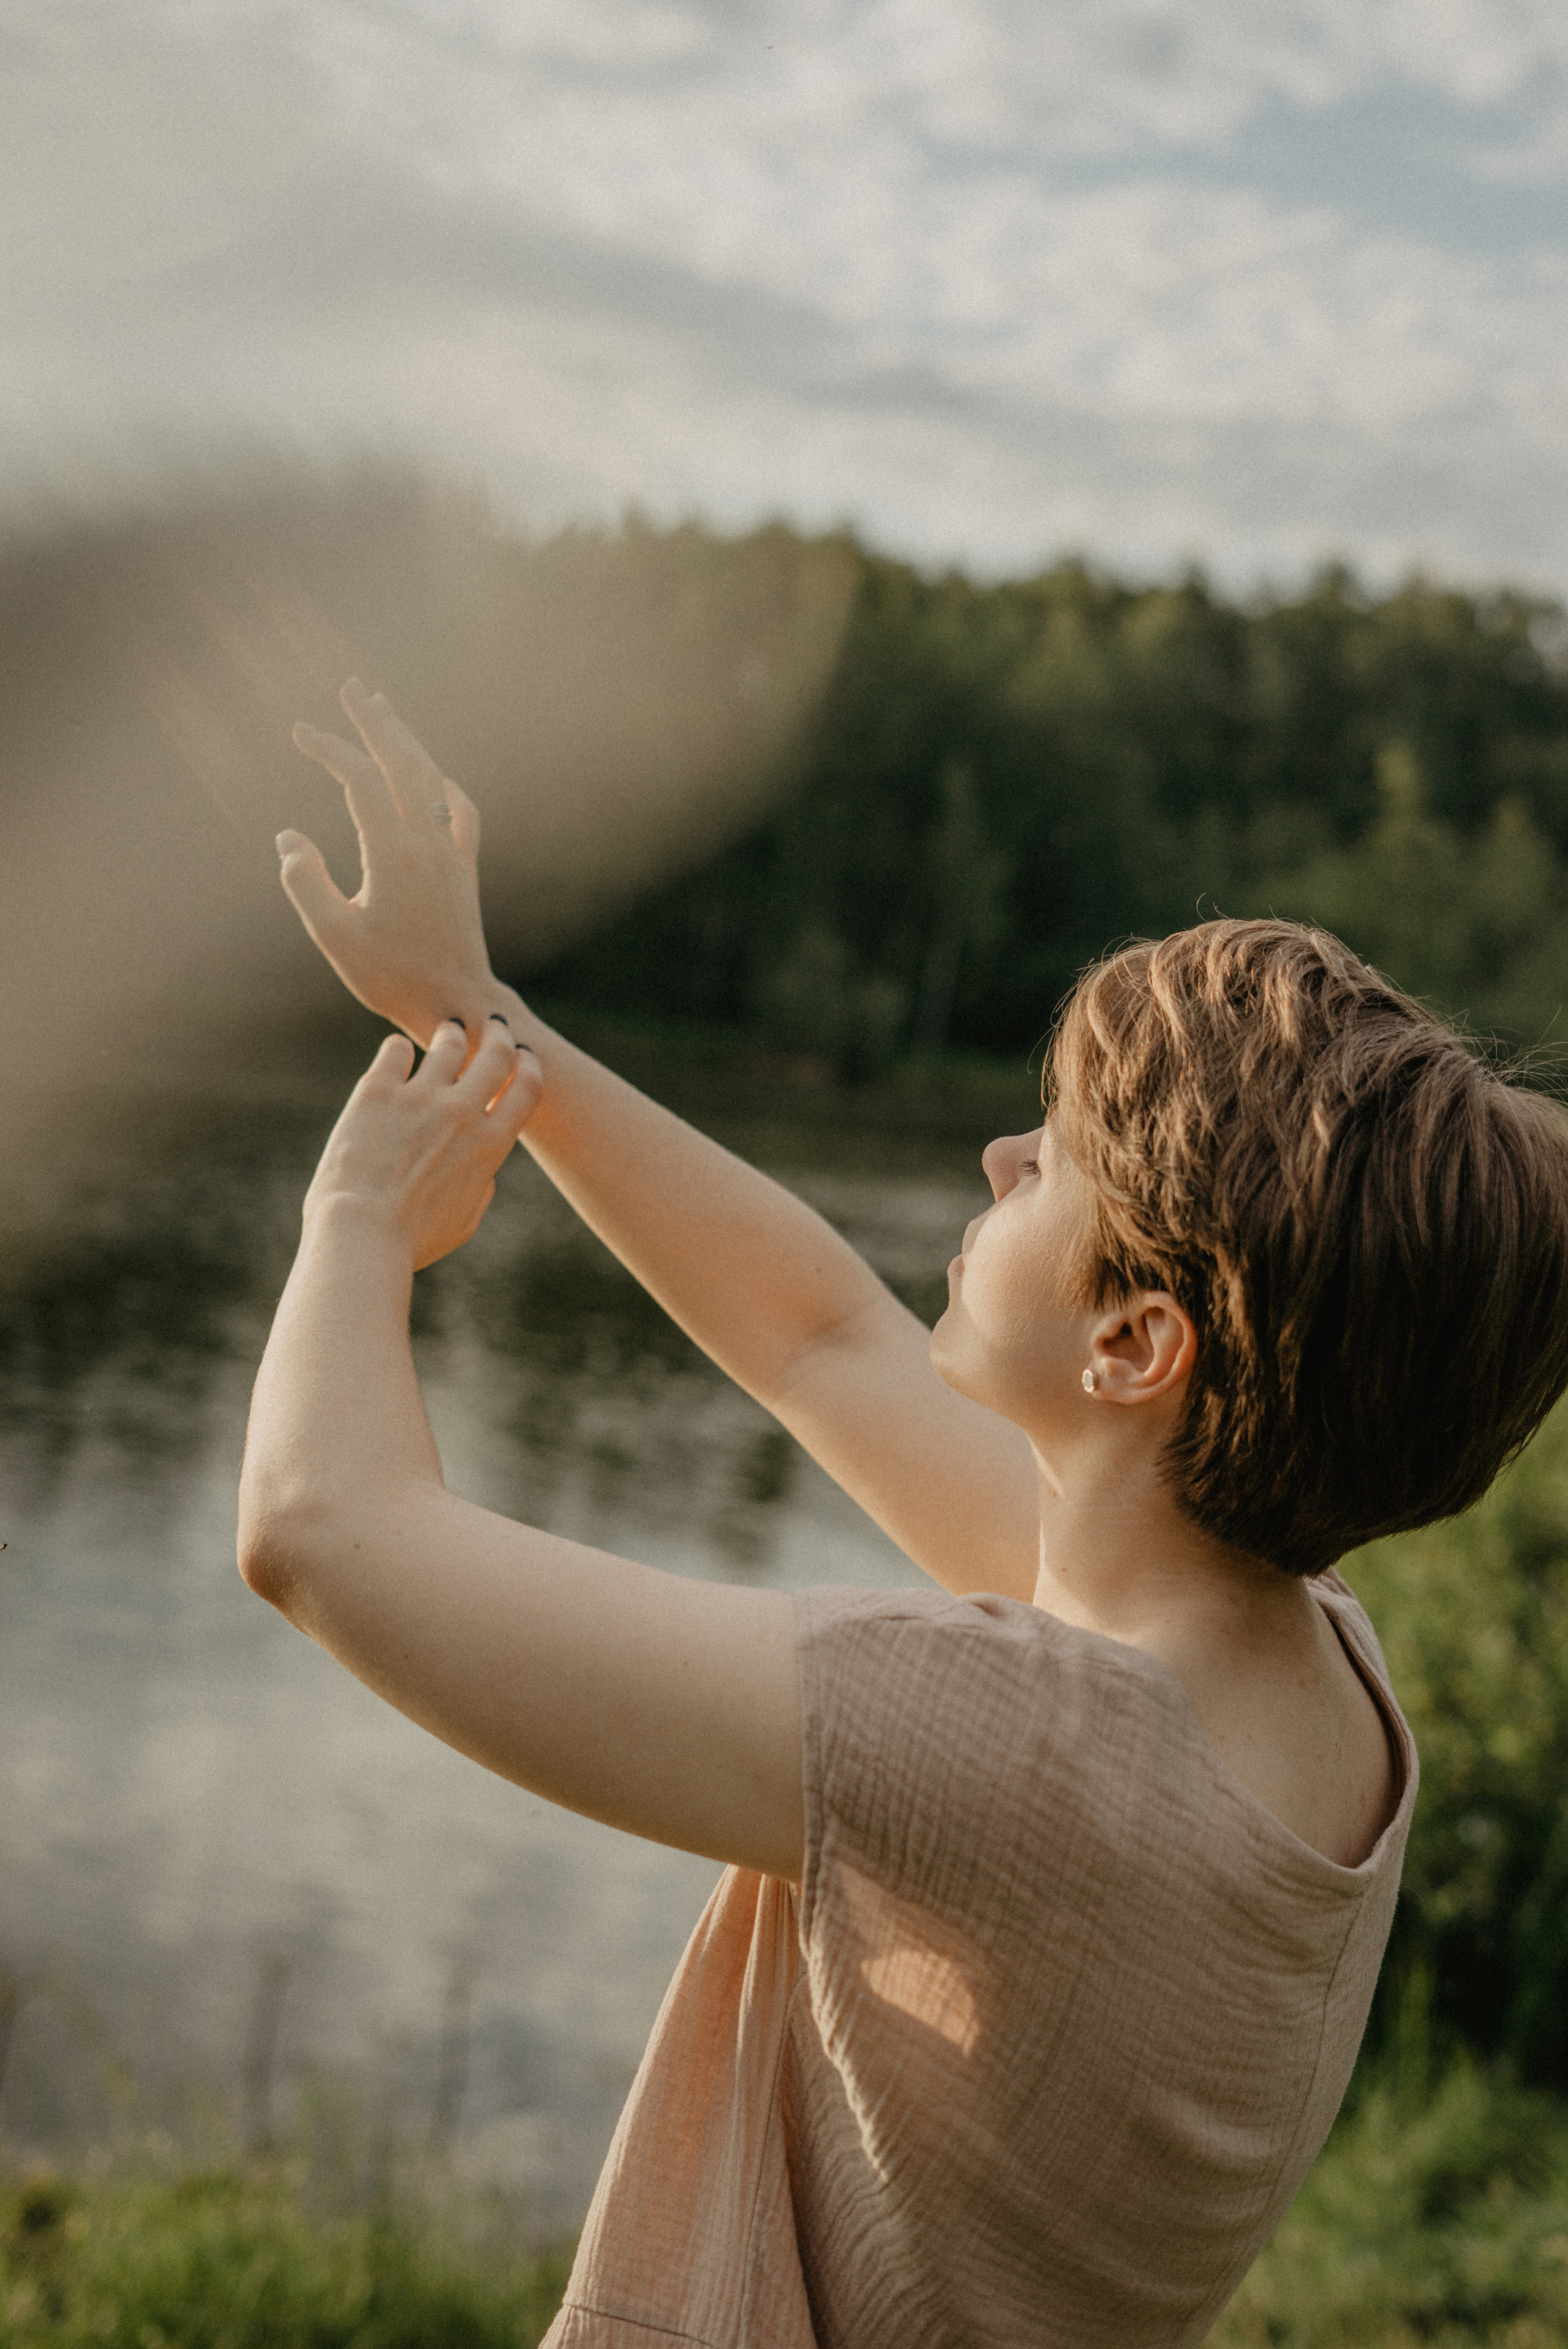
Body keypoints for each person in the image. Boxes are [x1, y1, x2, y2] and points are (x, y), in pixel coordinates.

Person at [239, 681, 1568, 2348]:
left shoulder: (1002, 1743)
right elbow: (820, 1339)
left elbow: (323, 1528)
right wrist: (485, 1014)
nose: (1005, 1156)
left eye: (1057, 1158)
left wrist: (357, 1216)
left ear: (1135, 1342)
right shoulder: (1311, 1680)